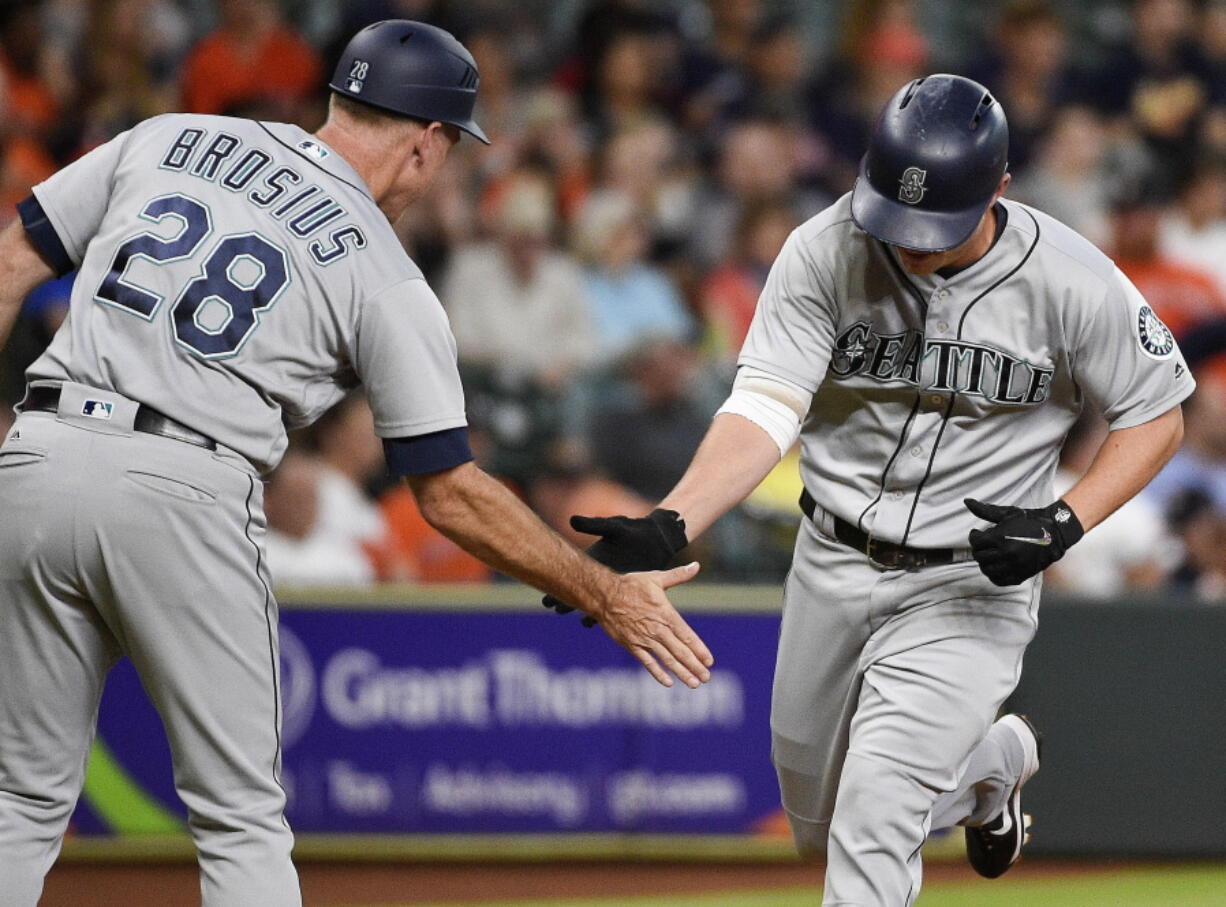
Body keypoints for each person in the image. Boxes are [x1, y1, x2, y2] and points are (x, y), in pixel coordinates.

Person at [0, 20, 712, 907]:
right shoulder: (382, 270)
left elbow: (15, 256)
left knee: (18, 795)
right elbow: (450, 493)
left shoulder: (174, 134)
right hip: (180, 484)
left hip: (37, 452)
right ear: (425, 145)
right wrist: (602, 593)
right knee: (240, 815)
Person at [546, 74, 1193, 903]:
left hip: (970, 580)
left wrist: (1067, 520)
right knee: (818, 824)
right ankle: (993, 765)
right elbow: (765, 405)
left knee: (874, 820)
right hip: (833, 559)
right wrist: (676, 515)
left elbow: (1157, 411)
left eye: (937, 223)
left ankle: (955, 775)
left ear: (998, 188)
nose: (911, 242)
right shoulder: (824, 249)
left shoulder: (1070, 278)